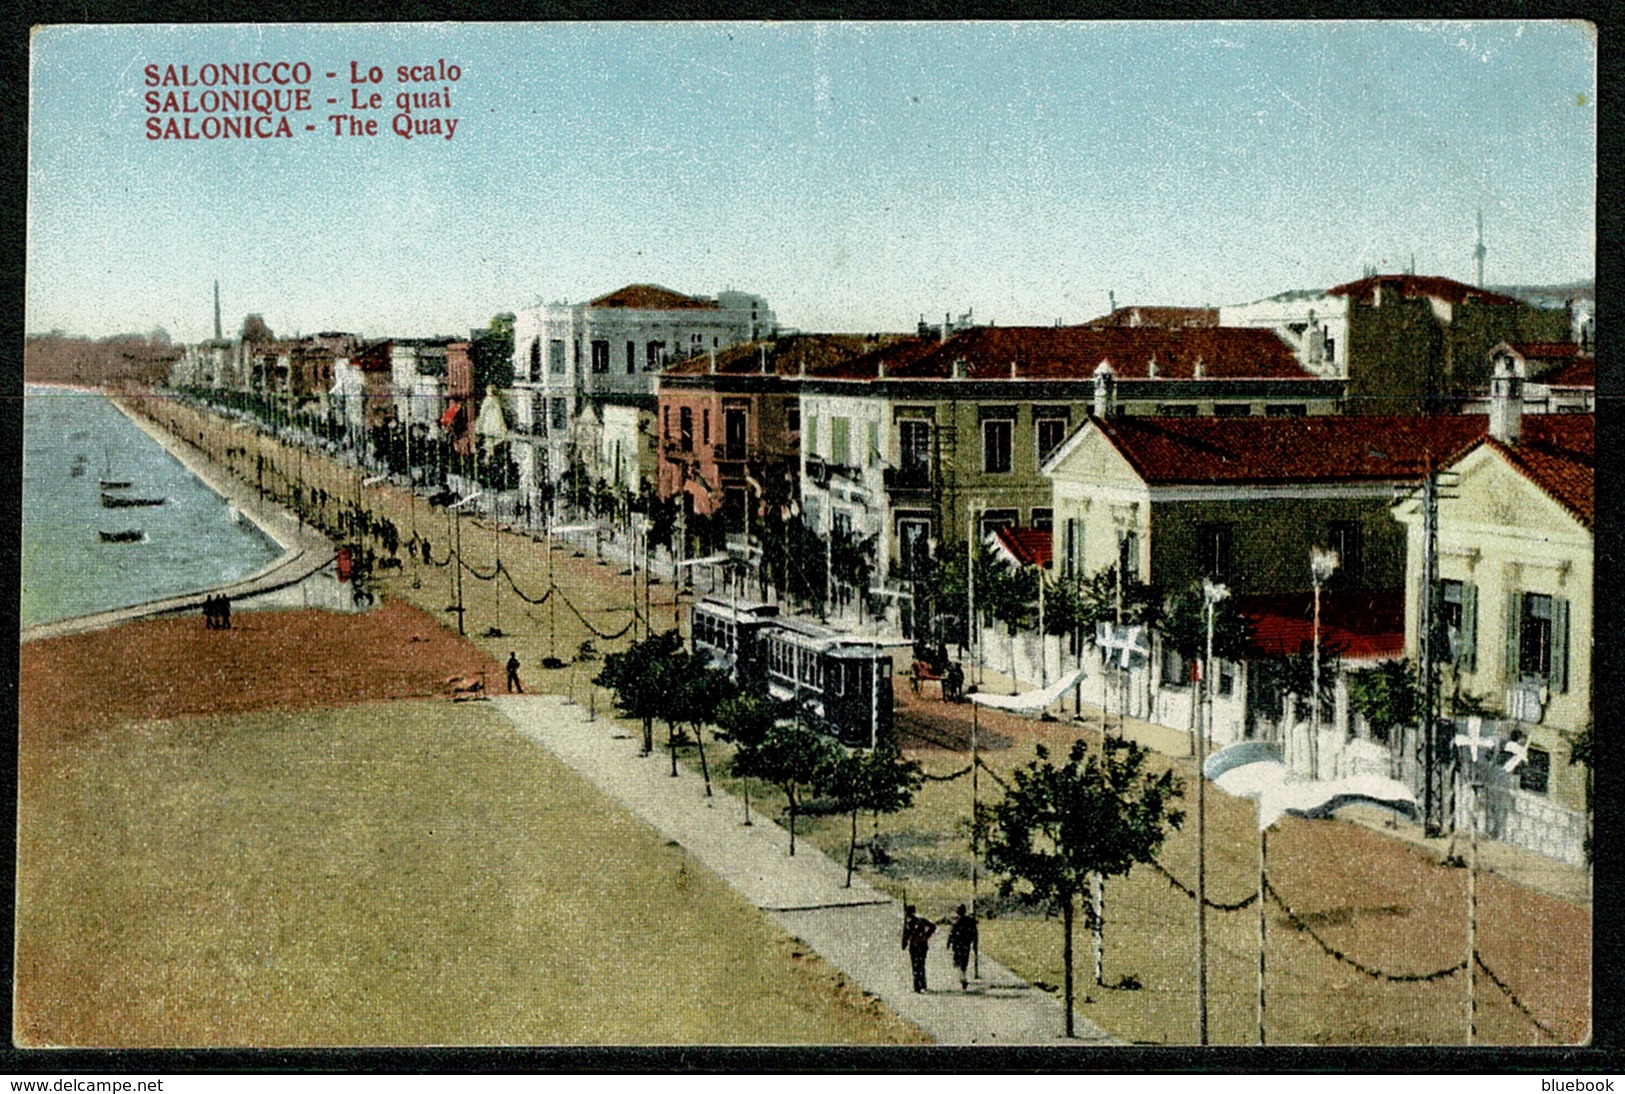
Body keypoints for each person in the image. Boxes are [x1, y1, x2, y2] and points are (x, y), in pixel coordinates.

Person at [901, 904, 935, 993]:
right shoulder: (920, 920)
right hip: (921, 946)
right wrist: (926, 936)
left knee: (916, 966)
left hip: (916, 947)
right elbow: (932, 926)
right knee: (920, 966)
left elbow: (906, 935)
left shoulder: (910, 922)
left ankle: (918, 986)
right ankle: (921, 985)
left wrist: (904, 944)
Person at [947, 904, 979, 990]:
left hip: (957, 945)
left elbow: (951, 934)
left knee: (958, 962)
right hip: (966, 944)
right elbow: (975, 933)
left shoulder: (956, 922)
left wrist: (948, 943)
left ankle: (962, 978)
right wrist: (974, 944)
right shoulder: (970, 921)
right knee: (964, 962)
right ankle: (963, 977)